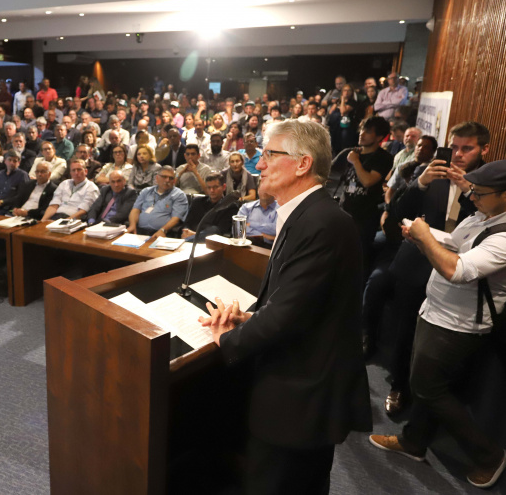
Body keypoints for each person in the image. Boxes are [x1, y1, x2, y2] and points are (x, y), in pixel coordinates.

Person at [198, 119, 371, 494]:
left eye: (268, 154)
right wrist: (250, 316)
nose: (258, 164)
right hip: (304, 383)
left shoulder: (321, 222)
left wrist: (227, 338)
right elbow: (302, 301)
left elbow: (288, 315)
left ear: (302, 163)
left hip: (301, 396)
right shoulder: (310, 214)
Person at [369, 160, 506, 489]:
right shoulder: (484, 215)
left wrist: (424, 237)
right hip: (436, 310)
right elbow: (456, 247)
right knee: (425, 385)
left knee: (428, 389)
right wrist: (423, 238)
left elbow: (457, 270)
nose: (471, 196)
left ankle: (489, 455)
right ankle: (414, 442)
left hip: (457, 325)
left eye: (479, 192)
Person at [378, 122, 490, 415]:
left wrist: (469, 191)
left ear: (484, 149)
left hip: (457, 271)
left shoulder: (489, 183)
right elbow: (398, 215)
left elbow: (487, 223)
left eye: (467, 148)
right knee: (406, 331)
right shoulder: (429, 173)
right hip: (415, 264)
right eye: (454, 147)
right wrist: (420, 184)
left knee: (437, 341)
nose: (458, 154)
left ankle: (428, 404)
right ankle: (398, 387)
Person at [330, 116, 394, 275]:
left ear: (379, 137)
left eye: (368, 131)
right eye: (362, 129)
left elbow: (367, 181)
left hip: (364, 218)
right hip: (343, 213)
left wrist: (356, 162)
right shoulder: (349, 153)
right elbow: (327, 171)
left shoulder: (383, 157)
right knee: (336, 257)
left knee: (357, 262)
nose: (362, 134)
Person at [127, 166, 189, 238]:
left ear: (174, 181)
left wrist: (163, 230)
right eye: (164, 177)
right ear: (157, 178)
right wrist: (132, 225)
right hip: (139, 231)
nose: (167, 180)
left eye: (171, 178)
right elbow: (135, 210)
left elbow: (176, 218)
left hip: (162, 233)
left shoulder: (179, 195)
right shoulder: (146, 191)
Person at [180, 173, 239, 241]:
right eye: (209, 187)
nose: (212, 190)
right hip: (189, 239)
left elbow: (219, 231)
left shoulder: (230, 206)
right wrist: (186, 231)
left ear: (224, 187)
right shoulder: (197, 202)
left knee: (214, 229)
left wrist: (194, 235)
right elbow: (187, 223)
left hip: (212, 242)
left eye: (215, 187)